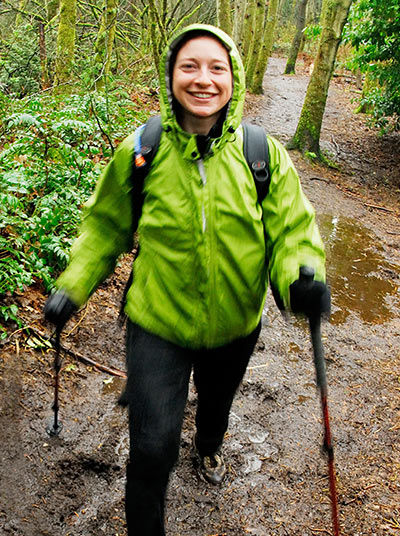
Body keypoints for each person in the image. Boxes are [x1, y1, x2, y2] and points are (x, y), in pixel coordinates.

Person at [44, 23, 330, 536]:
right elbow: (105, 225)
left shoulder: (261, 155)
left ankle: (210, 444)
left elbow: (292, 229)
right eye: (190, 66)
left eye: (216, 68)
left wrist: (300, 278)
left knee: (215, 411)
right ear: (171, 74)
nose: (203, 79)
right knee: (152, 448)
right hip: (158, 323)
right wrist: (74, 284)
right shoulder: (143, 150)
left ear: (234, 79)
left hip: (235, 326)